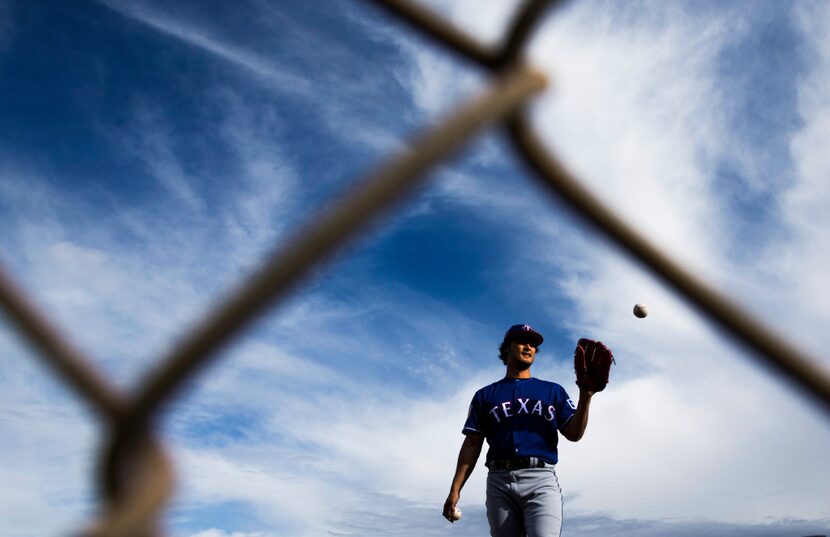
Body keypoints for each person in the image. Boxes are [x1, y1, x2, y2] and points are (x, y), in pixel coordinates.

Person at [442, 323, 605, 537]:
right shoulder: (485, 395)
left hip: (540, 479)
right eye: (522, 341)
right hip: (499, 481)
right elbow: (472, 444)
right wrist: (455, 489)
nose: (528, 346)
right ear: (507, 347)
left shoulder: (553, 391)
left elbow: (574, 434)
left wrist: (586, 396)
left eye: (533, 343)